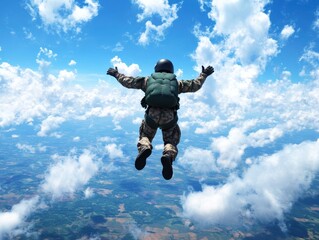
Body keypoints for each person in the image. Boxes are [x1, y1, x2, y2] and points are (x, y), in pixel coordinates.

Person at [107, 59, 214, 180]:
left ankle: (145, 148)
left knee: (145, 135)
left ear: (157, 68)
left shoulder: (147, 80)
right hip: (169, 117)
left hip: (152, 114)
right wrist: (204, 74)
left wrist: (116, 74)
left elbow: (128, 82)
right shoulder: (177, 83)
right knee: (170, 140)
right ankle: (168, 155)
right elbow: (195, 85)